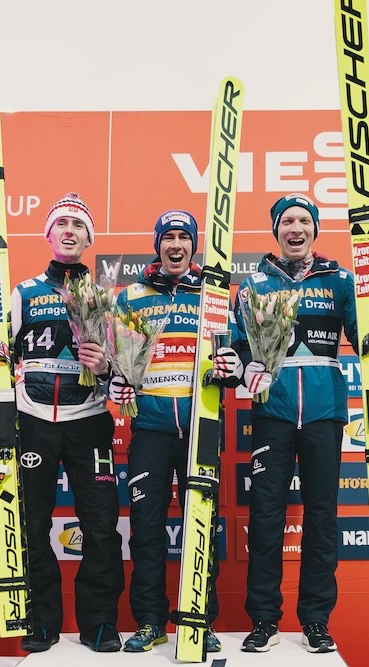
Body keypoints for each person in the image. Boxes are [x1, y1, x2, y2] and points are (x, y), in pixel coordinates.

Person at [230, 193, 369, 654]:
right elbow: (237, 343)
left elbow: (364, 338)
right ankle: (264, 619)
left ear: (315, 229)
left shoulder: (340, 279)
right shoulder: (254, 285)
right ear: (276, 231)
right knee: (266, 517)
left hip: (324, 412)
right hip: (273, 410)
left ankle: (316, 621)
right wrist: (246, 367)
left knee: (322, 518)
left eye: (304, 221)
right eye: (287, 221)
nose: (296, 228)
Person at [0, 192, 125, 654]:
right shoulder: (24, 292)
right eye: (61, 224)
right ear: (48, 234)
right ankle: (41, 620)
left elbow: (123, 371)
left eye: (78, 226)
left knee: (101, 525)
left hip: (89, 420)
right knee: (32, 521)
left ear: (89, 239)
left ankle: (100, 623)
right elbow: (5, 353)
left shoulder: (104, 296)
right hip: (34, 419)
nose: (69, 231)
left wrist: (105, 366)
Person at [107, 210, 241, 653]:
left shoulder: (213, 295)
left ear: (194, 244)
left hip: (201, 424)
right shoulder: (132, 296)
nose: (176, 244)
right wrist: (117, 382)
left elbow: (235, 354)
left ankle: (200, 620)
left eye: (185, 236)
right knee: (146, 527)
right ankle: (150, 622)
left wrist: (235, 366)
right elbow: (117, 362)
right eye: (169, 237)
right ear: (158, 245)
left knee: (201, 524)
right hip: (150, 427)